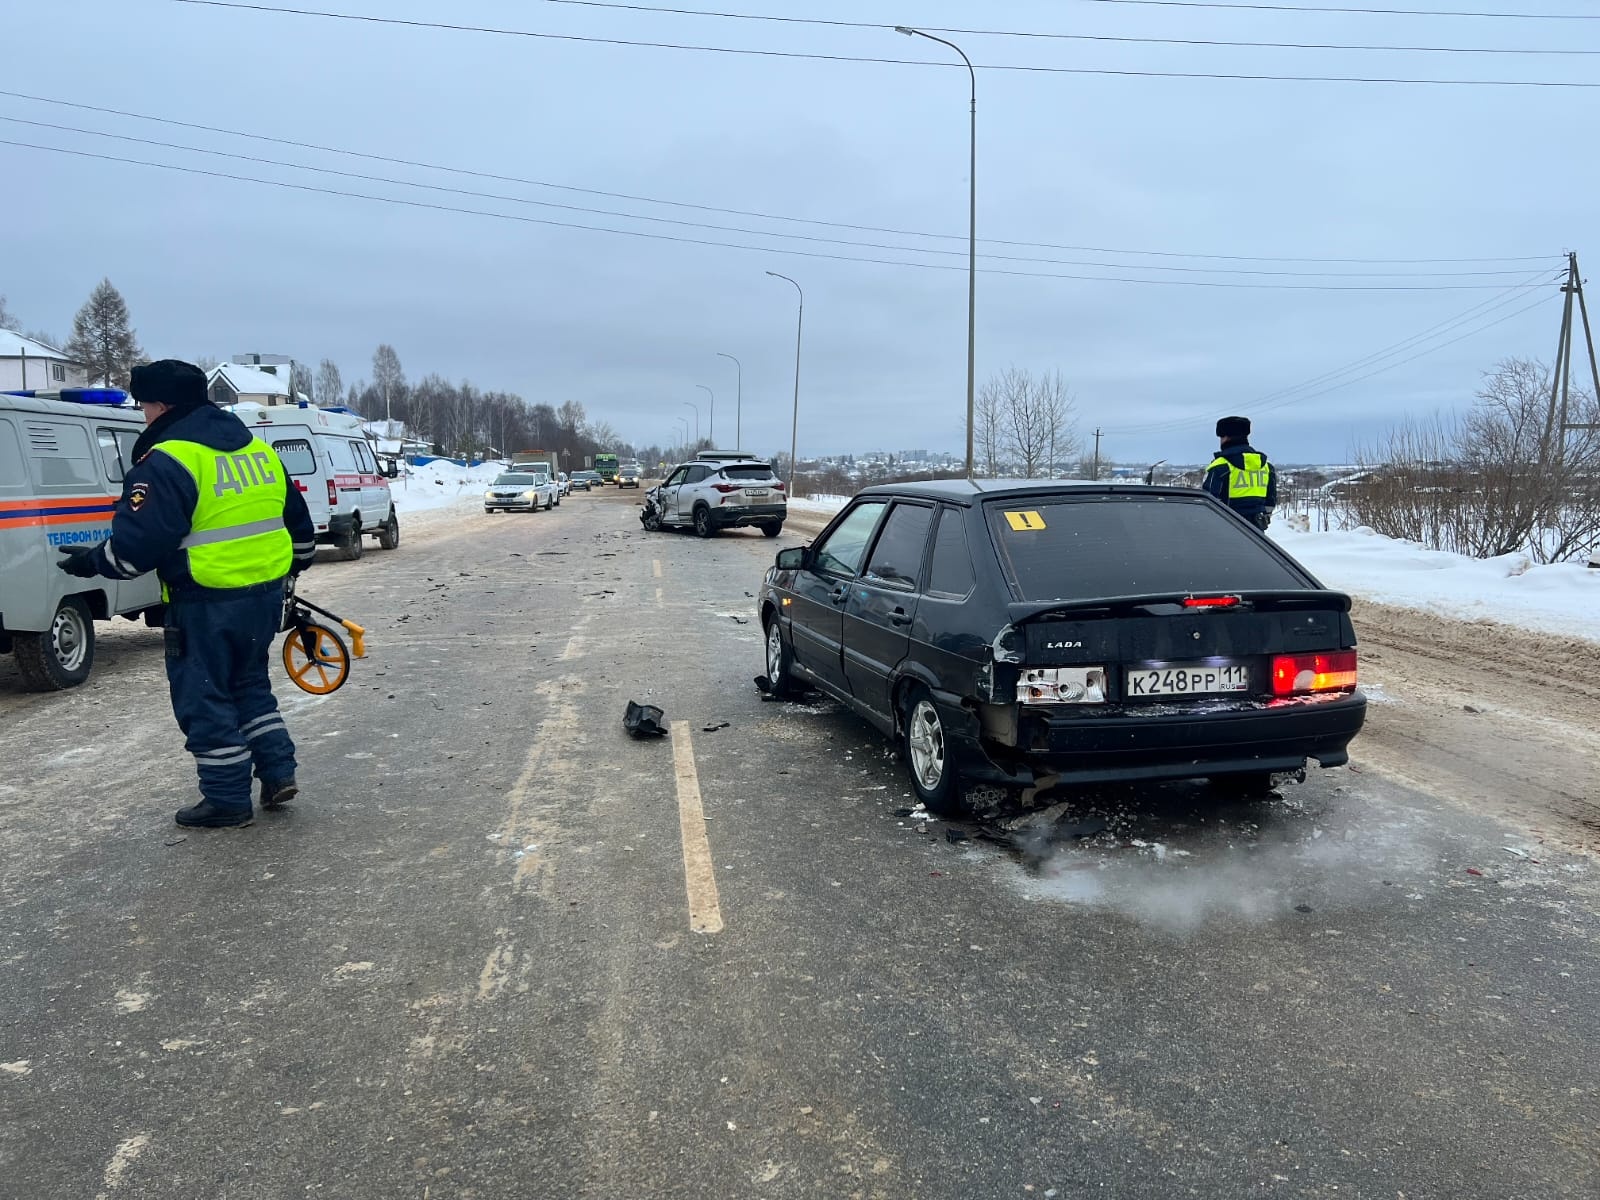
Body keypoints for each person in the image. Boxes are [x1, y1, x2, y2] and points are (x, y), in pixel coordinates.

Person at [58, 360, 317, 828]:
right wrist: (289, 573)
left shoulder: (167, 460)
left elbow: (138, 549)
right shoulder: (256, 449)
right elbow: (300, 530)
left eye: (143, 405)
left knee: (204, 696)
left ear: (159, 405)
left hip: (203, 600)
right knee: (250, 686)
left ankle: (227, 799)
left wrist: (91, 563)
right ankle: (278, 773)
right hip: (262, 597)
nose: (142, 415)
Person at [1203, 415, 1276, 532]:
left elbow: (1207, 500)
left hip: (1226, 528)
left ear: (1225, 437)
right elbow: (1271, 501)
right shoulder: (1266, 466)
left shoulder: (1220, 466)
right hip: (1257, 534)